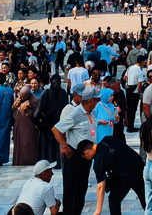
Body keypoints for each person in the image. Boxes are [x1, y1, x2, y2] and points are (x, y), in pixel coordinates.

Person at [53, 87, 99, 215]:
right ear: (89, 101)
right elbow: (56, 129)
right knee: (70, 189)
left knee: (82, 188)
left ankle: (77, 212)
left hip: (87, 156)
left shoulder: (93, 112)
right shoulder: (75, 113)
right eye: (96, 99)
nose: (97, 102)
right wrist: (64, 145)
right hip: (74, 156)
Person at [78, 136, 146, 215]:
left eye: (85, 157)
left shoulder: (98, 161)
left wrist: (98, 210)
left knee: (113, 201)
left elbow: (101, 186)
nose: (88, 159)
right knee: (143, 196)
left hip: (126, 174)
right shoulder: (107, 139)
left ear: (87, 152)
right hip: (137, 165)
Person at [36, 74, 69, 165]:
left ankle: (52, 161)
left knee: (53, 142)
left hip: (55, 123)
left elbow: (39, 110)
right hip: (51, 123)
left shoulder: (60, 93)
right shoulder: (49, 93)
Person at [13, 85, 40, 165]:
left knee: (28, 144)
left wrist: (28, 110)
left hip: (29, 127)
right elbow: (13, 108)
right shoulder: (20, 99)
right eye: (22, 96)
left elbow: (36, 115)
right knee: (19, 146)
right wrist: (16, 104)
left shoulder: (35, 100)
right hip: (19, 127)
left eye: (24, 97)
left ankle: (30, 162)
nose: (23, 98)